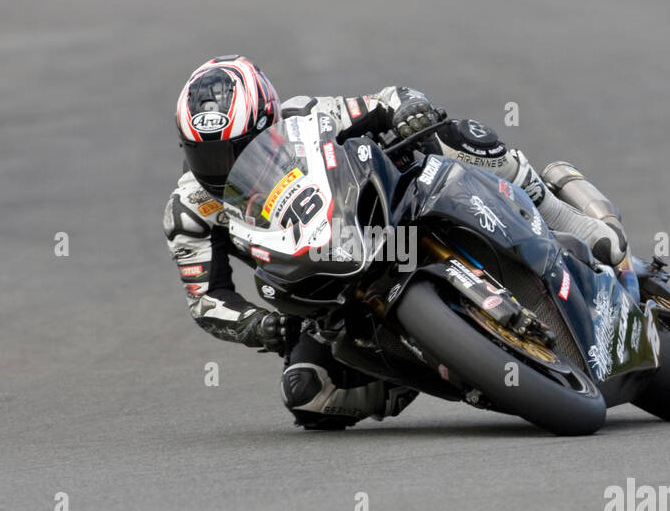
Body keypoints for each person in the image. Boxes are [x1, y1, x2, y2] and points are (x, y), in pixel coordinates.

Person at [163, 55, 631, 429]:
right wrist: (258, 326)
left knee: (453, 136)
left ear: (267, 120)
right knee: (309, 394)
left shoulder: (304, 114)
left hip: (381, 210)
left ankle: (556, 207)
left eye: (240, 147)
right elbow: (206, 299)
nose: (225, 164)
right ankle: (427, 366)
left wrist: (408, 110)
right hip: (322, 292)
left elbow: (389, 99)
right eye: (207, 153)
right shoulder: (189, 208)